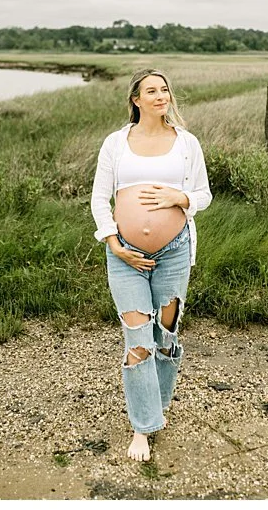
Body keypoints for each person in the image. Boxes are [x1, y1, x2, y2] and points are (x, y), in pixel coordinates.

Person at [88, 68, 210, 462]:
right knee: (138, 339)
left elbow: (203, 195)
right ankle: (143, 426)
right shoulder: (116, 143)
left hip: (174, 251)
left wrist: (179, 198)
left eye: (165, 89)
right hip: (124, 254)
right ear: (136, 100)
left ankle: (157, 405)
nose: (161, 96)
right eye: (151, 91)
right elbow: (99, 198)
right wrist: (113, 242)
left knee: (166, 333)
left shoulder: (186, 143)